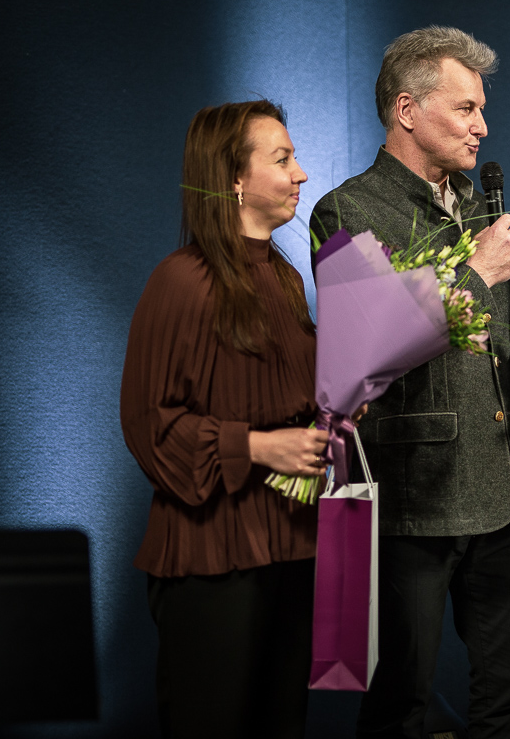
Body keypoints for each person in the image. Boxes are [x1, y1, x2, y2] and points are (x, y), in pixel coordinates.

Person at [310, 25, 510, 739]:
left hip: (504, 493)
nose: (482, 126)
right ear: (407, 110)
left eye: (482, 109)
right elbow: (367, 352)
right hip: (413, 499)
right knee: (398, 705)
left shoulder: (477, 206)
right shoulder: (345, 212)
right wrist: (475, 272)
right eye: (466, 108)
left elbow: (493, 349)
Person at [121, 100, 330, 739]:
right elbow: (150, 425)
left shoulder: (287, 280)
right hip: (213, 562)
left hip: (293, 550)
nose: (300, 174)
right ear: (235, 180)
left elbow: (297, 399)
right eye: (282, 159)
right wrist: (260, 448)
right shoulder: (180, 282)